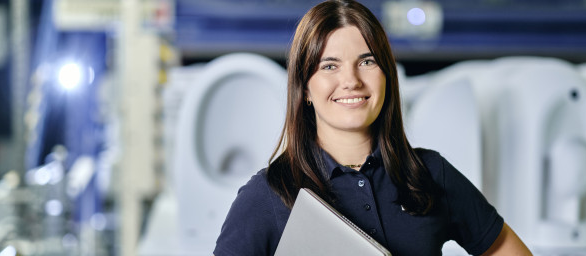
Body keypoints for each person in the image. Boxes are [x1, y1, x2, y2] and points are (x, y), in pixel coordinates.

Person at [214, 0, 531, 255]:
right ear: (305, 88)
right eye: (329, 65)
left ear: (387, 76)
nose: (351, 80)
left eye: (367, 61)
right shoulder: (270, 194)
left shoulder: (431, 175)